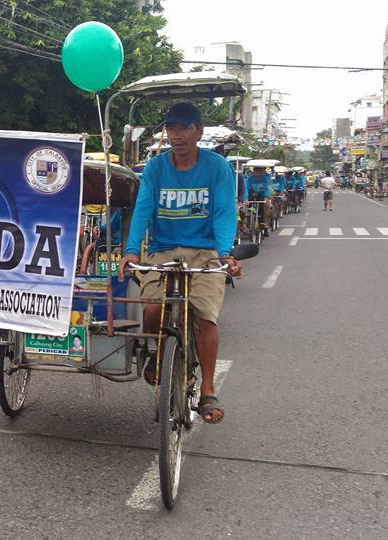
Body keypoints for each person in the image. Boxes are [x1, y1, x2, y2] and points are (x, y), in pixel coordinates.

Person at [118, 102, 241, 424]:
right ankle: (159, 355)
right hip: (162, 251)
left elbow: (225, 212)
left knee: (204, 317)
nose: (176, 135)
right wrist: (131, 251)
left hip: (204, 252)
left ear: (198, 131)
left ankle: (208, 390)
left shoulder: (217, 167)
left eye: (184, 128)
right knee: (152, 308)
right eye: (171, 128)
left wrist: (226, 253)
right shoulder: (156, 168)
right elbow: (143, 210)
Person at [245, 165, 272, 237]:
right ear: (253, 171)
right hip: (252, 195)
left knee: (265, 206)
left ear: (262, 172)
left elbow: (266, 189)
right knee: (249, 208)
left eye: (259, 171)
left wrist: (266, 197)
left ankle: (264, 222)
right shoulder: (250, 179)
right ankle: (250, 220)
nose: (257, 172)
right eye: (255, 171)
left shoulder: (265, 178)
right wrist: (246, 198)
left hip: (262, 195)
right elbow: (246, 189)